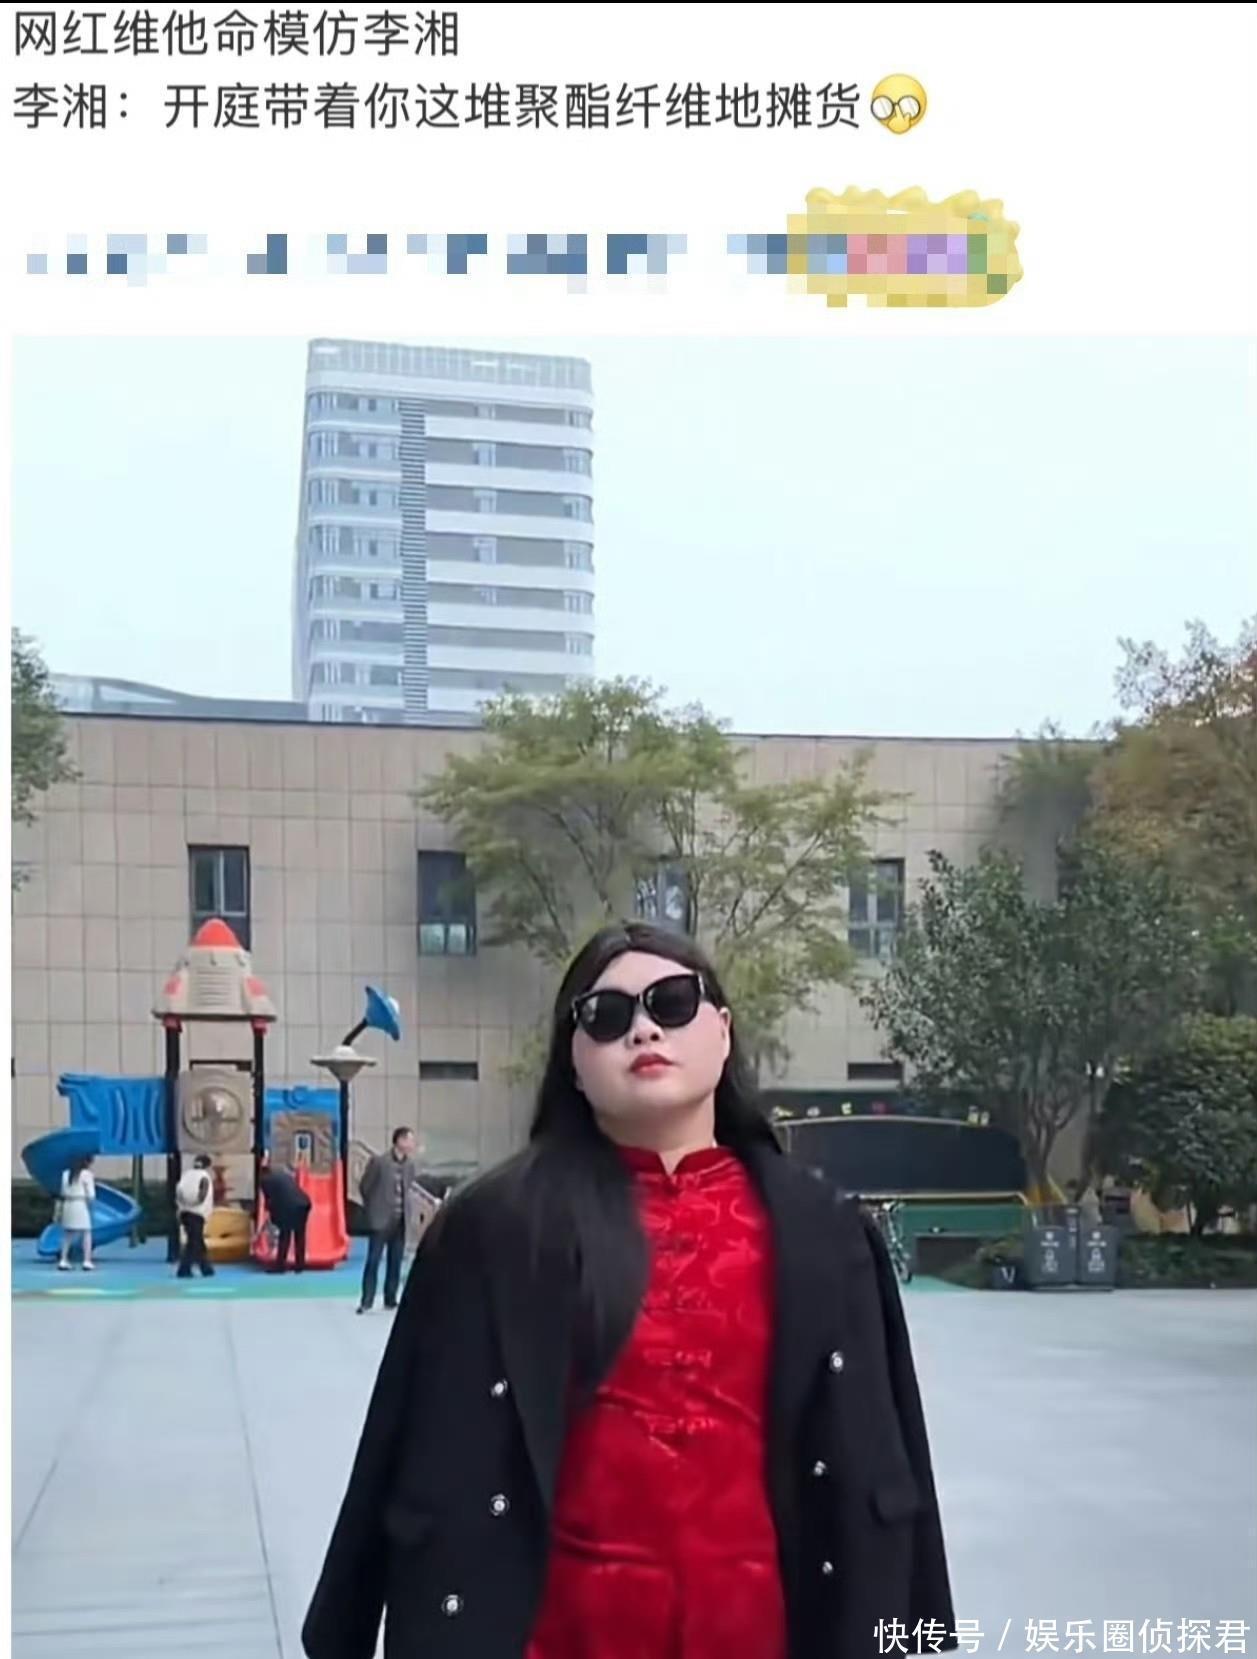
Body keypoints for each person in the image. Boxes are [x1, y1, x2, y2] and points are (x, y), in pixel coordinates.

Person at [303, 921, 958, 1659]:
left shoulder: (826, 1232)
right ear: (575, 1063)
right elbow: (401, 1439)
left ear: (722, 1031)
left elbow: (886, 1450)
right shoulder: (491, 1230)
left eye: (672, 1003)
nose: (643, 1029)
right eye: (606, 1016)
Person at [357, 1127, 417, 1315]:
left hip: (400, 1220)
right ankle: (367, 1300)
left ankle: (390, 1298)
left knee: (395, 1261)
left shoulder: (410, 1165)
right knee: (373, 1260)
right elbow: (365, 1186)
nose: (412, 1144)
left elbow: (408, 1189)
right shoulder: (379, 1162)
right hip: (380, 1220)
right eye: (409, 1140)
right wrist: (373, 1208)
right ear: (399, 1141)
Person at [260, 1154, 312, 1274]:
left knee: (285, 1234)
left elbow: (269, 1201)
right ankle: (300, 1265)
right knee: (300, 1234)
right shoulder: (284, 1175)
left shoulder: (264, 1180)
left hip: (289, 1206)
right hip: (304, 1203)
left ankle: (280, 1266)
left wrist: (273, 1218)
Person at [176, 1153, 216, 1279]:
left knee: (197, 1241)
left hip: (184, 1212)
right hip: (197, 1213)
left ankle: (206, 1267)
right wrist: (195, 1203)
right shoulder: (204, 1177)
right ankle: (184, 1268)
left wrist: (183, 1204)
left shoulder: (186, 1175)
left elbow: (179, 1190)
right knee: (194, 1242)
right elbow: (202, 1195)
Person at [57, 1154, 96, 1272]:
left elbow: (62, 1192)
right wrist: (90, 1204)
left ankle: (63, 1259)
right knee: (86, 1232)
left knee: (68, 1233)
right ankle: (87, 1260)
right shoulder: (87, 1174)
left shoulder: (66, 1174)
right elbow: (91, 1195)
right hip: (80, 1204)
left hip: (68, 1204)